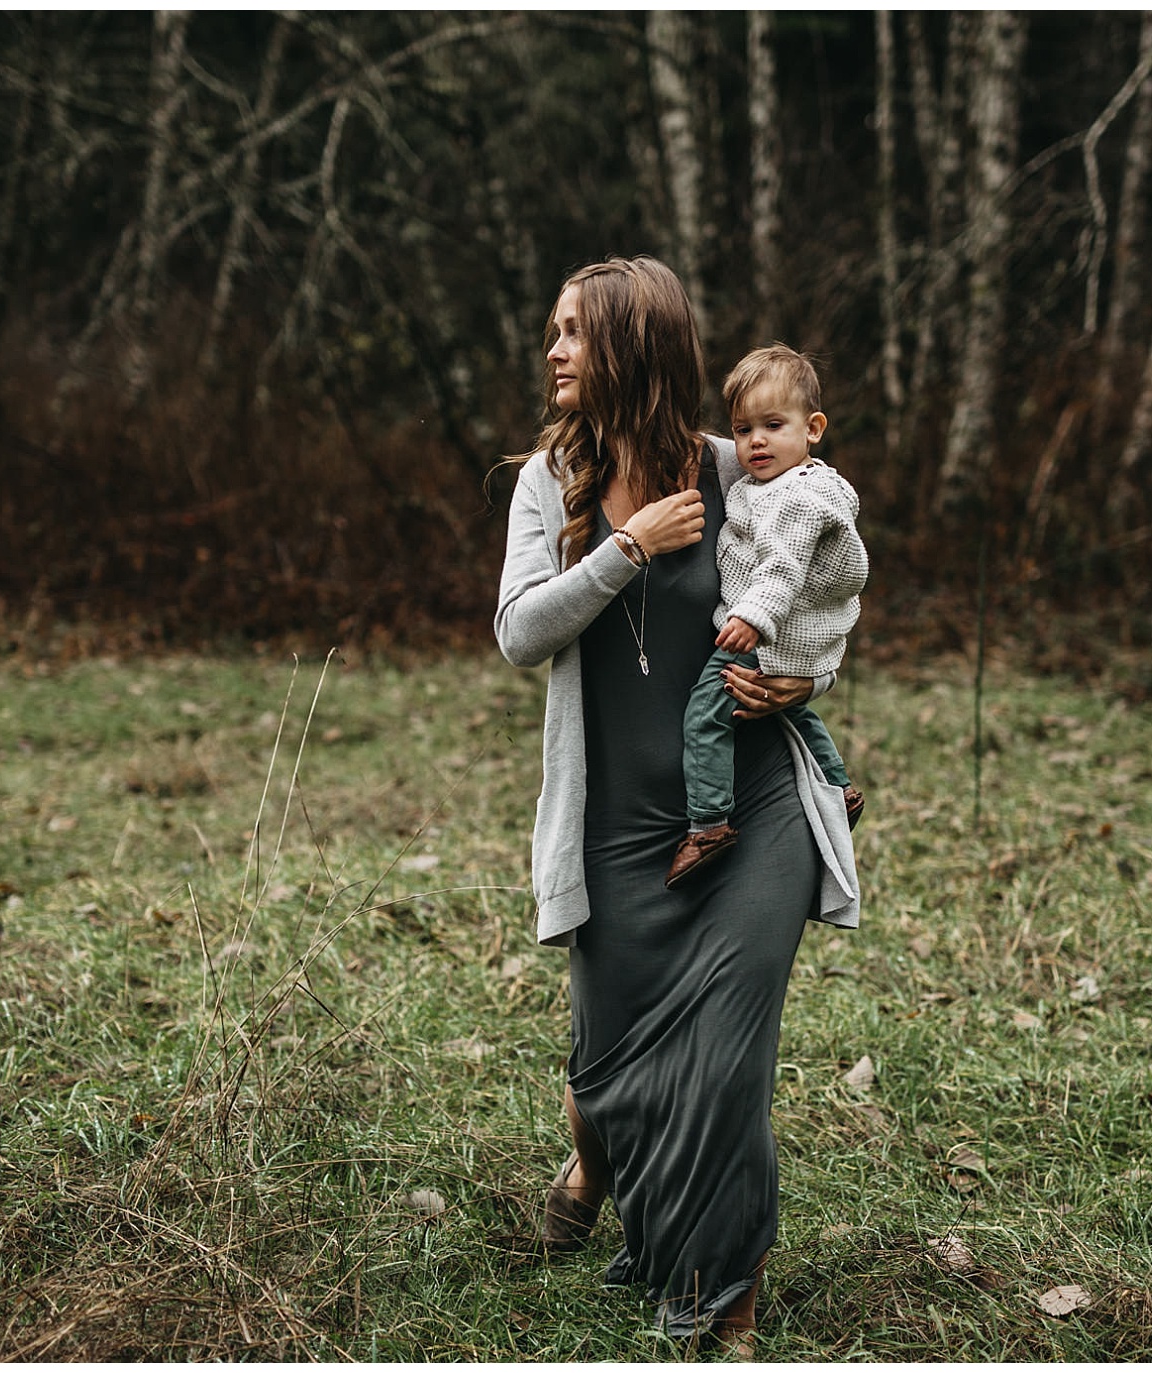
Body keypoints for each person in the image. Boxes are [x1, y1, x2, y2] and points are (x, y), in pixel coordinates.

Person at [494, 257, 860, 1355]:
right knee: (606, 1071)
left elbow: (827, 576)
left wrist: (807, 679)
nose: (552, 350)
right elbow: (518, 632)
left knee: (726, 1058)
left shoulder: (735, 466)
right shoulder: (544, 484)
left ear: (633, 348)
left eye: (573, 332)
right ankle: (598, 1156)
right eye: (552, 331)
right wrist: (624, 549)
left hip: (749, 813)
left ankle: (721, 1295)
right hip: (615, 829)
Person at [666, 344, 868, 890]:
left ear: (814, 428)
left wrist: (753, 617)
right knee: (786, 711)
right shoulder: (774, 485)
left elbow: (783, 563)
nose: (755, 441)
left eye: (773, 425)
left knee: (706, 715)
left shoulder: (796, 496)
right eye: (742, 429)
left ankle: (708, 824)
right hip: (791, 634)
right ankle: (838, 786)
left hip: (766, 631)